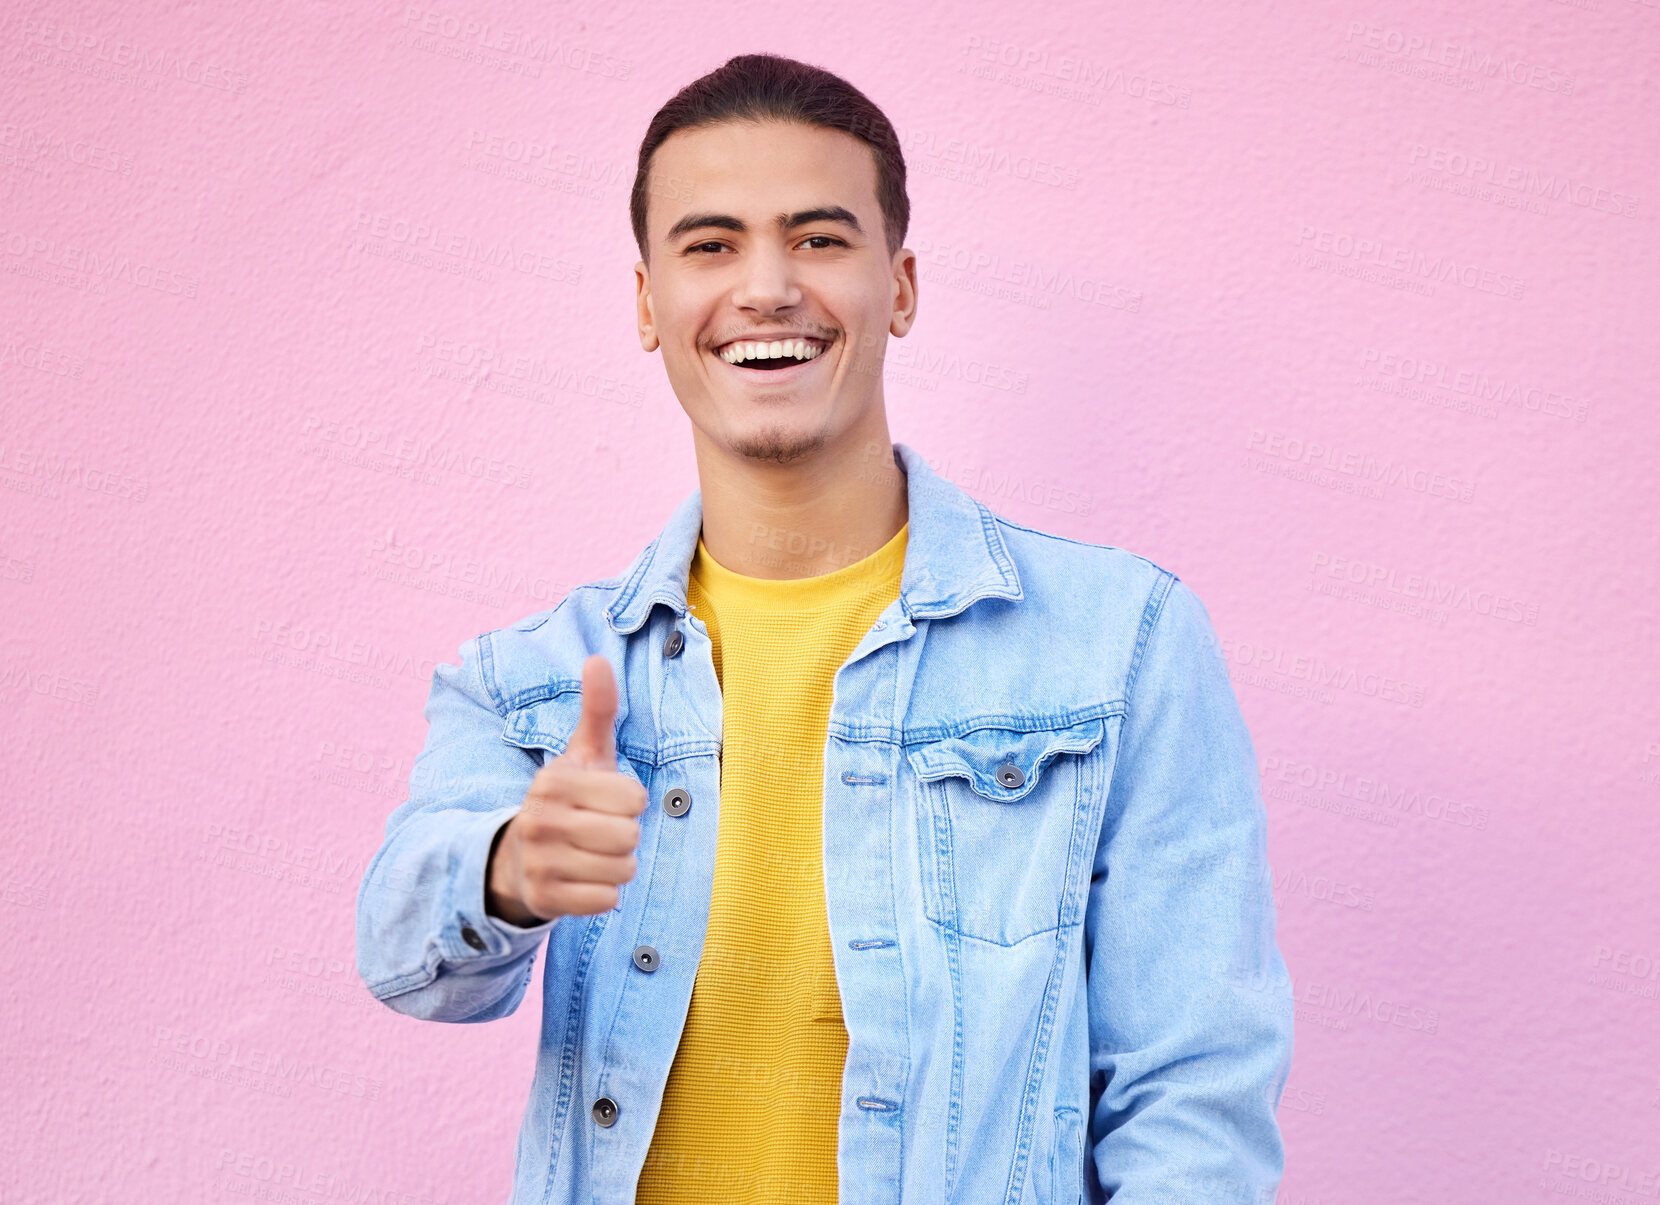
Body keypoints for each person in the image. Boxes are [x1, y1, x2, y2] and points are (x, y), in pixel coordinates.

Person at [355, 52, 1293, 1205]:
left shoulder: (1120, 644)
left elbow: (1192, 1092)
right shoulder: (540, 681)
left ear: (898, 286)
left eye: (818, 238)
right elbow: (403, 960)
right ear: (648, 304)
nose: (765, 287)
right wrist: (507, 869)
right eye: (710, 245)